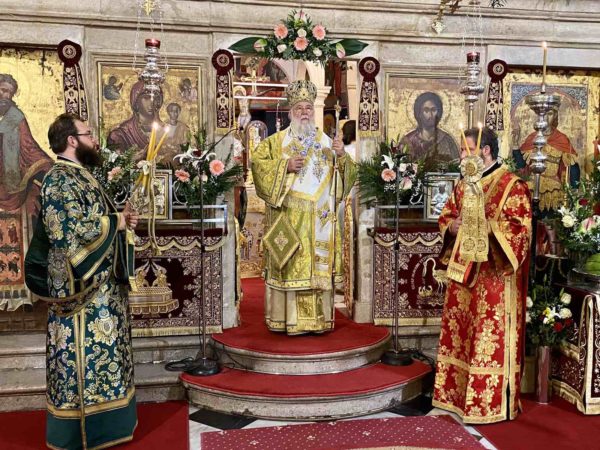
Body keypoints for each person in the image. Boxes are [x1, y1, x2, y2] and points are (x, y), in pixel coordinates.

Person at [26, 113, 139, 449]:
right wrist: (116, 221)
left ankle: (112, 425)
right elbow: (69, 232)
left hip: (101, 286)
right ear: (72, 140)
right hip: (82, 288)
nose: (95, 140)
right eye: (88, 134)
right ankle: (83, 431)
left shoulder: (80, 174)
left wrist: (120, 218)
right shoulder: (60, 178)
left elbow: (94, 218)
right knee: (82, 356)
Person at [432, 127, 532, 424]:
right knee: (461, 336)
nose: (461, 155)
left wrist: (487, 226)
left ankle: (488, 404)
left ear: (485, 151)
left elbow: (520, 229)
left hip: (494, 277)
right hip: (463, 274)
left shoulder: (511, 185)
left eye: (466, 150)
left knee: (487, 338)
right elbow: (447, 215)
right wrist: (451, 226)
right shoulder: (464, 184)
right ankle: (456, 397)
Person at [251, 80, 356, 335]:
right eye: (299, 108)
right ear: (291, 112)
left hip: (320, 220)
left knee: (316, 273)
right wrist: (284, 167)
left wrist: (342, 156)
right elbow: (257, 165)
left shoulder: (327, 142)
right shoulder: (275, 143)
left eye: (308, 107)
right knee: (290, 268)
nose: (305, 112)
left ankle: (318, 322)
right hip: (288, 220)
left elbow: (347, 180)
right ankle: (286, 320)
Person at [0, 73, 53, 215]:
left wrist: (45, 163)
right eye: (3, 90)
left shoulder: (16, 116)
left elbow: (28, 144)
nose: (7, 96)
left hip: (7, 178)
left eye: (10, 93)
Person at [518, 107, 579, 211]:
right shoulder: (532, 138)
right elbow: (521, 166)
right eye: (544, 113)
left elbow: (572, 167)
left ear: (555, 116)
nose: (546, 117)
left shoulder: (562, 139)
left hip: (553, 189)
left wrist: (573, 192)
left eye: (549, 114)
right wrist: (515, 146)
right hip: (532, 185)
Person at [400, 91, 460, 167]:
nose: (430, 115)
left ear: (439, 112)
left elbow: (456, 167)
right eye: (426, 110)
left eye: (433, 110)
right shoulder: (408, 141)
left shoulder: (447, 140)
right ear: (419, 113)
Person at [108, 80, 165, 157]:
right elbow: (117, 160)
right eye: (146, 98)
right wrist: (133, 158)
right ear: (136, 101)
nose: (152, 102)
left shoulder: (165, 131)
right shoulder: (122, 134)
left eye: (156, 98)